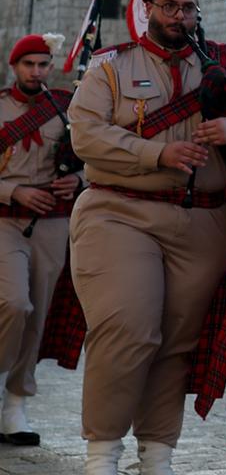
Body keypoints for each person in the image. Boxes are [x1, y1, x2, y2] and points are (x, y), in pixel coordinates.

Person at [69, 0, 226, 475]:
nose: (179, 16)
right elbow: (86, 136)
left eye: (189, 7)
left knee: (177, 341)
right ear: (148, 9)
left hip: (205, 222)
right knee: (128, 325)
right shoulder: (110, 68)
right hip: (119, 212)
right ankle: (102, 450)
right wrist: (157, 156)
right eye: (169, 6)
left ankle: (158, 453)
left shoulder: (224, 68)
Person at [0, 33, 81, 445]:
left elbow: (93, 154)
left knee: (37, 315)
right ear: (15, 66)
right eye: (28, 64)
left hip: (52, 223)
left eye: (43, 65)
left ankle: (16, 402)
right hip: (4, 219)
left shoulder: (66, 109)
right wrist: (14, 191)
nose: (36, 72)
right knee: (14, 302)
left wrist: (78, 179)